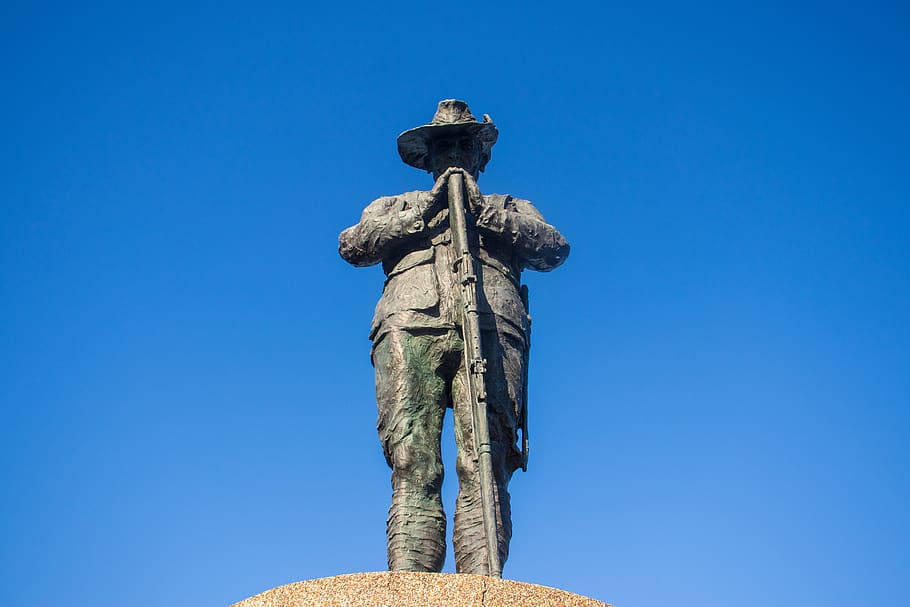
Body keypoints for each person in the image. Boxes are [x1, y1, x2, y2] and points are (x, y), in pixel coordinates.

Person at [338, 100, 569, 575]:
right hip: (411, 323)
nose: (455, 155)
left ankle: (482, 587)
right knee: (412, 460)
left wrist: (482, 213)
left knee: (485, 462)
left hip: (492, 325)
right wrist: (429, 208)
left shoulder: (511, 208)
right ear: (427, 159)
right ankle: (409, 587)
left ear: (481, 156)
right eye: (444, 146)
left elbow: (553, 248)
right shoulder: (394, 206)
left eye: (465, 144)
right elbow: (353, 245)